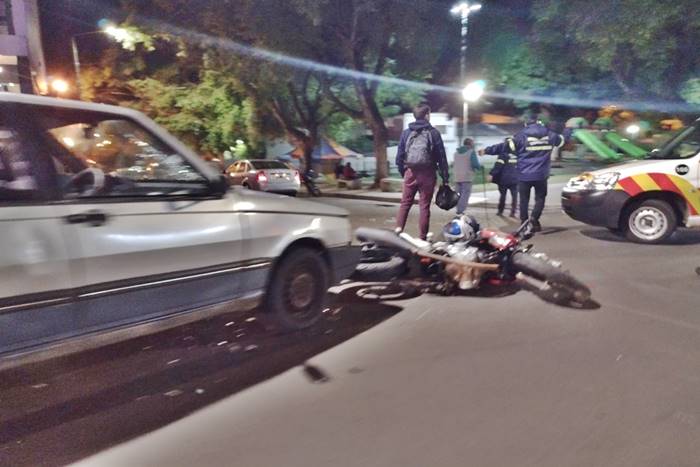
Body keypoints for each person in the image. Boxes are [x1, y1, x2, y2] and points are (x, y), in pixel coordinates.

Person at [495, 116, 564, 232]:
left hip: (524, 175)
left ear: (526, 125)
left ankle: (524, 223)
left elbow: (510, 147)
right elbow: (561, 141)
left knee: (524, 200)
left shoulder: (521, 135)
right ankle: (534, 219)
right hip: (541, 175)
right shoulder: (549, 134)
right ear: (539, 123)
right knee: (540, 198)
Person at [395, 103, 449, 240]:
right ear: (426, 115)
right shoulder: (434, 133)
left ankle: (397, 232)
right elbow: (441, 157)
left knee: (405, 204)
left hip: (410, 172)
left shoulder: (406, 133)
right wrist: (445, 177)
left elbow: (399, 156)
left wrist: (404, 172)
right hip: (428, 173)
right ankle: (422, 238)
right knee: (424, 206)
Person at [452, 138, 481, 215]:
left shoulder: (456, 153)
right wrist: (480, 167)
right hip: (467, 177)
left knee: (458, 194)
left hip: (457, 177)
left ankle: (458, 209)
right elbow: (475, 164)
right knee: (465, 194)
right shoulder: (471, 152)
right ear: (470, 144)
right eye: (473, 143)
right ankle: (460, 210)